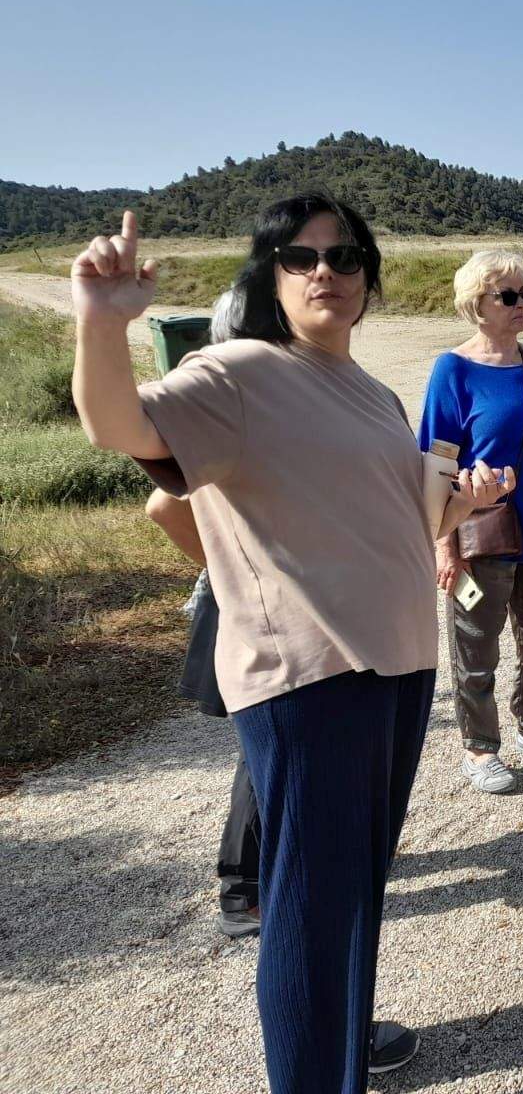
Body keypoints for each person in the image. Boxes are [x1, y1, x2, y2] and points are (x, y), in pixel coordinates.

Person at [71, 197, 511, 1092]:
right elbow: (118, 428)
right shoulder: (239, 374)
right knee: (310, 910)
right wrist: (101, 324)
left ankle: (340, 1036)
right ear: (269, 273)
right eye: (299, 255)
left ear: (367, 275)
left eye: (345, 256)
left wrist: (460, 505)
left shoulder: (373, 392)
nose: (326, 272)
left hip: (392, 668)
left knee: (352, 895)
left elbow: (396, 514)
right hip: (311, 679)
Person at [422, 250, 523, 796]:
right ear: (477, 304)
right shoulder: (453, 370)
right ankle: (479, 749)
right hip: (479, 539)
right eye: (509, 296)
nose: (522, 306)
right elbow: (437, 465)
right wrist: (445, 549)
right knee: (475, 643)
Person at [145, 287, 262, 940]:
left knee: (270, 747)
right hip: (242, 606)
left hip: (260, 604)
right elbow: (163, 507)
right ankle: (241, 892)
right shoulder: (227, 407)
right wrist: (225, 566)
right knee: (261, 750)